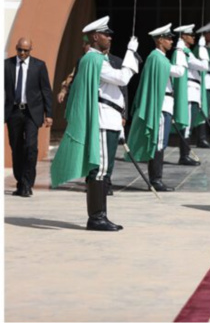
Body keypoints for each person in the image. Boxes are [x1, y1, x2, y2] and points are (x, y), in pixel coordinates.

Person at [50, 16, 139, 231]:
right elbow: (122, 78)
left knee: (103, 169)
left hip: (109, 118)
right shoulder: (94, 60)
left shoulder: (97, 59)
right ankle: (96, 217)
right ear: (95, 36)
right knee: (99, 169)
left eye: (110, 35)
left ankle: (101, 215)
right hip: (103, 118)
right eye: (106, 34)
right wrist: (131, 54)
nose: (110, 38)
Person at [126, 23, 186, 191]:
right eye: (168, 38)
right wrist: (180, 53)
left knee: (161, 142)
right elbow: (179, 72)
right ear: (160, 40)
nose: (171, 42)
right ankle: (156, 180)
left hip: (165, 106)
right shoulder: (157, 57)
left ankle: (156, 179)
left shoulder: (159, 58)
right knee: (158, 143)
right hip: (160, 107)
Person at [5, 38, 53, 197]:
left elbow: (46, 90)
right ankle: (20, 183)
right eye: (20, 50)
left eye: (26, 50)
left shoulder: (39, 66)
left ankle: (27, 183)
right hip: (13, 112)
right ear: (16, 48)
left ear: (31, 49)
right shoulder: (7, 65)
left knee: (31, 147)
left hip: (32, 112)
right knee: (16, 147)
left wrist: (49, 114)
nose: (22, 53)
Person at [172, 24, 209, 166]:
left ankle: (185, 154)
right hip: (188, 93)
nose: (193, 37)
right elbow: (204, 65)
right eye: (191, 35)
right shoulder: (183, 53)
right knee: (186, 126)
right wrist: (202, 48)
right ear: (183, 37)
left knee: (189, 125)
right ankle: (184, 156)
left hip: (193, 93)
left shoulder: (188, 52)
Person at [194, 22, 210, 148]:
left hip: (209, 81)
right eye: (209, 34)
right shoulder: (201, 49)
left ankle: (201, 138)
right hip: (205, 82)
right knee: (203, 111)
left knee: (205, 111)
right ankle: (201, 139)